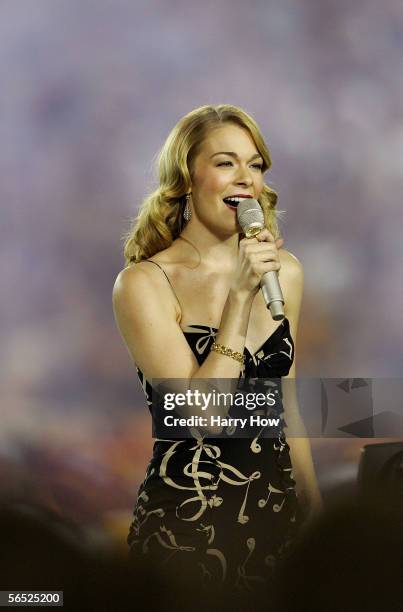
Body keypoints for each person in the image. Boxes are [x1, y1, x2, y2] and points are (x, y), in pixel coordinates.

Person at [112, 104, 322, 597]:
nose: (245, 178)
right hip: (187, 532)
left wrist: (312, 510)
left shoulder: (284, 272)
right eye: (226, 162)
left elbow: (283, 404)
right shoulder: (146, 282)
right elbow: (202, 415)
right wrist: (240, 299)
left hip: (277, 525)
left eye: (255, 164)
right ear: (187, 177)